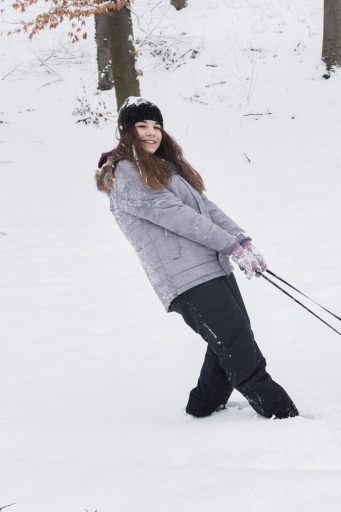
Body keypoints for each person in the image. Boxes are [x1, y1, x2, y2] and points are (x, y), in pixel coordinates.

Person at [95, 97, 298, 420]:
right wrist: (230, 246)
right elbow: (177, 216)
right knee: (237, 344)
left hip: (210, 266)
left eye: (156, 127)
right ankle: (281, 413)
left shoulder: (164, 168)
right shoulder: (127, 175)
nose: (151, 133)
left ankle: (203, 406)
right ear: (126, 132)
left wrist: (242, 241)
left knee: (232, 337)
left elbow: (206, 209)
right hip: (184, 277)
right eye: (142, 126)